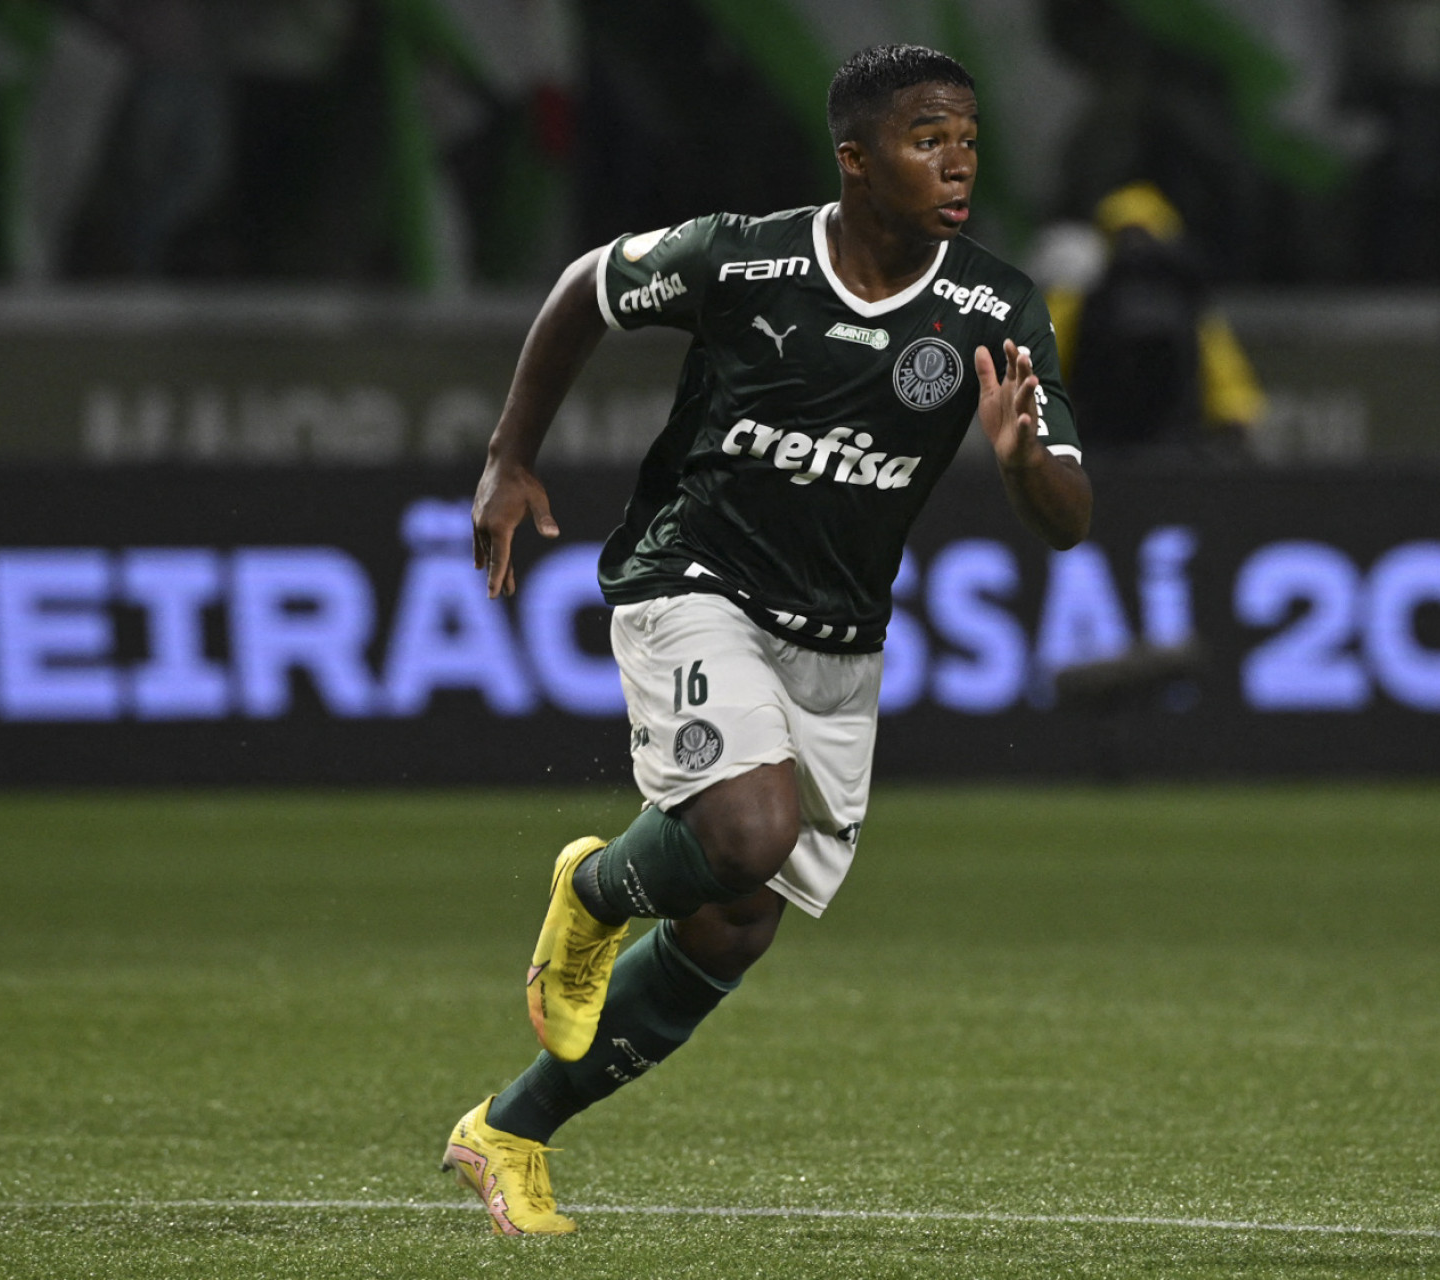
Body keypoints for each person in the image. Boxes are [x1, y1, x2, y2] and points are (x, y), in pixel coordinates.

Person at [440, 44, 1092, 1235]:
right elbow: (587, 285)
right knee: (747, 828)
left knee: (734, 921)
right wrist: (509, 452)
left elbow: (1071, 521)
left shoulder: (996, 310)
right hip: (692, 579)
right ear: (856, 159)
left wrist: (1019, 460)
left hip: (838, 640)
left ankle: (509, 1130)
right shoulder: (747, 257)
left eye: (967, 138)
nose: (957, 162)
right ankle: (590, 892)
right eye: (925, 138)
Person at [1062, 182, 1265, 459]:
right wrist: (1236, 415)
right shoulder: (1185, 305)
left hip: (1109, 448)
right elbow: (1225, 378)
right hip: (1164, 451)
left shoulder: (1083, 300)